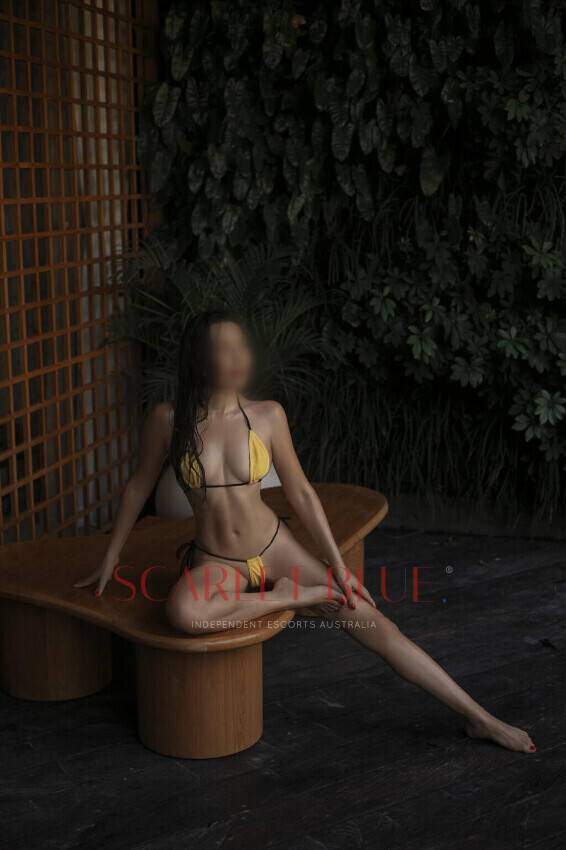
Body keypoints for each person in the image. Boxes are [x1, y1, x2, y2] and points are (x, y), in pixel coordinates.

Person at [75, 310, 536, 754]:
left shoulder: (268, 415)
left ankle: (479, 717)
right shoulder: (167, 419)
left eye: (241, 346)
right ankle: (287, 597)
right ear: (199, 357)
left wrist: (337, 566)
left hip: (275, 546)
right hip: (217, 560)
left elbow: (301, 492)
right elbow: (138, 485)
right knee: (185, 614)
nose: (238, 357)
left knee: (372, 621)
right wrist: (110, 557)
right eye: (223, 348)